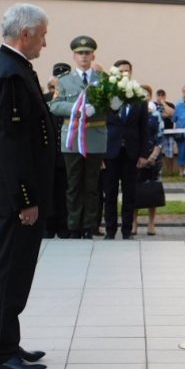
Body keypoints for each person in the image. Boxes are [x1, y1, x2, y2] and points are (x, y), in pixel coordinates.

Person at [0, 3, 55, 369]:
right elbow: (9, 146)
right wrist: (25, 199)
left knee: (18, 271)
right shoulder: (8, 74)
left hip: (19, 194)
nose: (44, 42)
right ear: (26, 34)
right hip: (14, 198)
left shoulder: (15, 68)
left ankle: (9, 342)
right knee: (7, 272)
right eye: (42, 35)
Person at [49, 35, 107, 239]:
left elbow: (113, 107)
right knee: (73, 185)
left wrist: (100, 107)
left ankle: (89, 226)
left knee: (92, 186)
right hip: (72, 139)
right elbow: (55, 105)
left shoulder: (103, 80)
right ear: (74, 56)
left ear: (93, 55)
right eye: (80, 53)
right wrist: (77, 108)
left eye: (87, 53)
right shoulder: (64, 81)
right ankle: (73, 225)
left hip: (95, 137)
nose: (84, 56)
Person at [102, 79, 150, 240]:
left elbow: (144, 129)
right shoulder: (108, 98)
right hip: (111, 153)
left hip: (131, 153)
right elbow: (101, 126)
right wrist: (100, 154)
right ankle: (110, 230)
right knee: (110, 193)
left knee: (130, 193)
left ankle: (127, 230)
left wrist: (144, 154)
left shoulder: (139, 100)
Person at [44, 62, 71, 239]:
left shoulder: (72, 98)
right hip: (48, 153)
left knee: (66, 191)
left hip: (67, 152)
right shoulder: (45, 99)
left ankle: (64, 226)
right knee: (48, 191)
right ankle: (48, 226)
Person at [133, 85, 164, 236]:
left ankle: (151, 224)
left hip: (153, 157)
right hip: (136, 157)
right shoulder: (133, 113)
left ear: (150, 96)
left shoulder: (155, 115)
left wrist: (152, 157)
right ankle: (134, 223)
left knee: (153, 191)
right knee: (134, 190)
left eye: (146, 94)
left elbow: (160, 137)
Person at [155, 89, 177, 176]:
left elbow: (173, 113)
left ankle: (170, 172)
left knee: (169, 153)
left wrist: (164, 103)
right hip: (157, 134)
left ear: (165, 96)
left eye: (162, 95)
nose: (160, 97)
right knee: (156, 153)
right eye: (159, 95)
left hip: (169, 133)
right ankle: (157, 172)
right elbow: (158, 115)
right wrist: (165, 114)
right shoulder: (153, 105)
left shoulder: (170, 104)